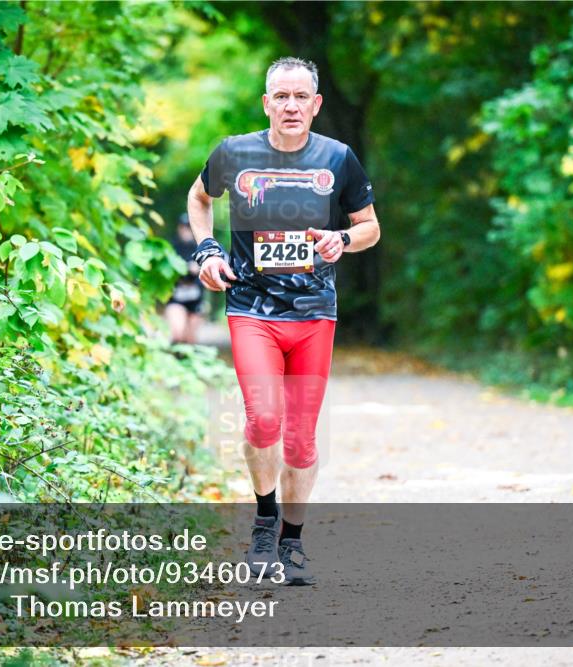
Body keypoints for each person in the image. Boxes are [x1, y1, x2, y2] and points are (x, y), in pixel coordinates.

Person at [186, 56, 380, 585]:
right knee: (264, 419)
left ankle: (292, 543)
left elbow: (370, 227)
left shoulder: (338, 158)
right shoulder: (234, 152)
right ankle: (264, 523)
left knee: (301, 439)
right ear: (266, 103)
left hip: (315, 312)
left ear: (316, 105)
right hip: (252, 307)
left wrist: (342, 238)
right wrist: (207, 251)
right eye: (281, 96)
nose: (291, 106)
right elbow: (199, 198)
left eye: (300, 97)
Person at [165, 214, 205, 344]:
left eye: (189, 227)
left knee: (190, 339)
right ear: (179, 228)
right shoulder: (171, 248)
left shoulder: (202, 248)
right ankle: (174, 354)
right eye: (184, 227)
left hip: (195, 299)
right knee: (177, 333)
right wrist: (186, 268)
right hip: (176, 297)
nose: (186, 230)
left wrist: (200, 269)